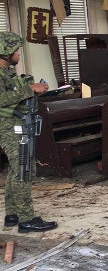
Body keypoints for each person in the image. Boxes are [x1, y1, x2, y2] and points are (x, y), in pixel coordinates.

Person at [0, 31, 57, 233]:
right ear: (6, 52)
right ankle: (27, 219)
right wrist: (30, 89)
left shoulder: (7, 73)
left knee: (17, 170)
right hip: (7, 126)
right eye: (15, 51)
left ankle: (12, 214)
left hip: (16, 123)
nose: (18, 54)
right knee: (23, 169)